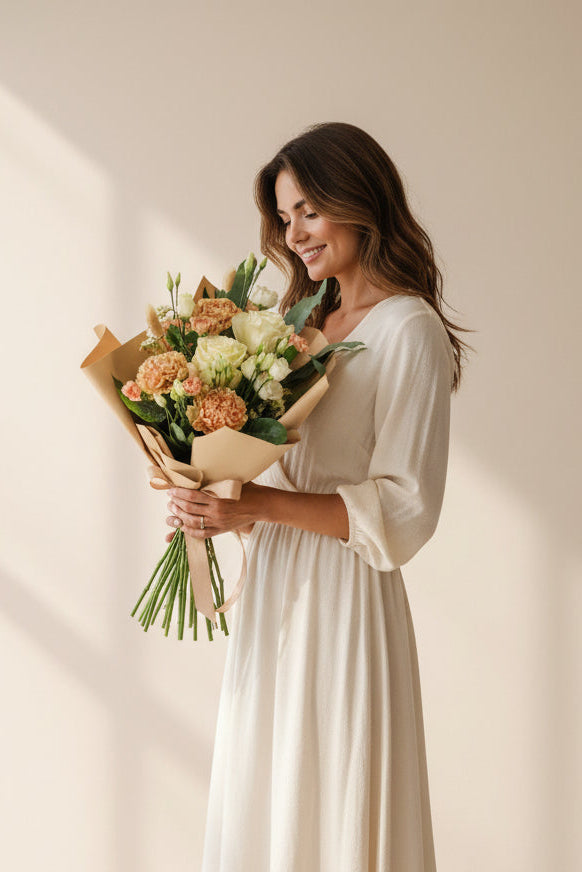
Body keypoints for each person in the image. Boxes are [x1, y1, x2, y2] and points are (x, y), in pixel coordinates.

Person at [166, 122, 469, 871]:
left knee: (333, 788)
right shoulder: (292, 330)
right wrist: (212, 500)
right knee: (270, 789)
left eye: (310, 210)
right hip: (277, 589)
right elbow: (274, 479)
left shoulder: (409, 330)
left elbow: (405, 508)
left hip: (345, 597)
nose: (294, 233)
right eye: (284, 215)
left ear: (360, 200)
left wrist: (256, 508)